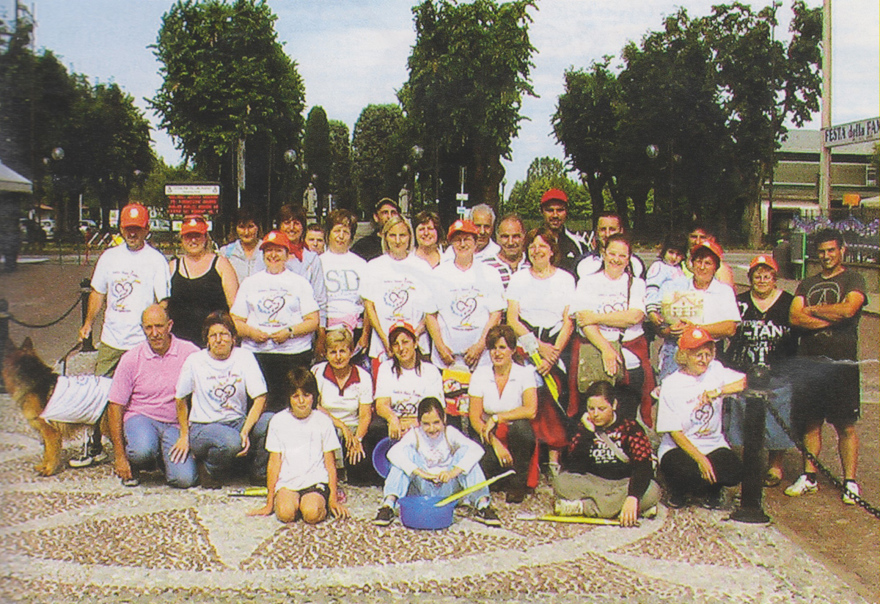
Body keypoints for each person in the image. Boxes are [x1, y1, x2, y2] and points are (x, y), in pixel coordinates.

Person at [77, 203, 171, 467]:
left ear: (146, 229)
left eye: (137, 229)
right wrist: (88, 324)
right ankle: (94, 444)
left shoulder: (155, 260)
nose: (132, 234)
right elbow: (98, 293)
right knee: (100, 392)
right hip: (112, 338)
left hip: (140, 343)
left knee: (141, 395)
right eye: (128, 229)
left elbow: (162, 302)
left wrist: (153, 332)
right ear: (121, 229)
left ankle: (140, 447)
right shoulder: (109, 257)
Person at [786, 229, 867, 504]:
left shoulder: (854, 278)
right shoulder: (807, 283)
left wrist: (813, 310)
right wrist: (831, 314)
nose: (826, 256)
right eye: (822, 251)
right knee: (811, 422)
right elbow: (795, 316)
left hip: (841, 363)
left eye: (831, 250)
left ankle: (850, 482)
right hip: (809, 360)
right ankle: (808, 475)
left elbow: (849, 309)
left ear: (841, 250)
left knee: (845, 424)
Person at [722, 255, 796, 487]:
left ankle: (775, 464)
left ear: (775, 278)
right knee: (740, 415)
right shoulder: (739, 302)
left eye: (767, 275)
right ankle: (748, 461)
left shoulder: (788, 302)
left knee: (779, 414)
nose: (762, 280)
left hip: (779, 368)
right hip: (743, 368)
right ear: (750, 278)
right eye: (757, 275)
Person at [107, 304, 199, 488]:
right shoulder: (131, 358)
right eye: (148, 327)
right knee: (142, 450)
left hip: (175, 423)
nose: (154, 333)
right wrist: (119, 456)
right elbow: (115, 406)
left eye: (159, 326)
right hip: (142, 417)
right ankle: (140, 460)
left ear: (169, 326)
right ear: (142, 329)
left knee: (185, 480)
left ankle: (163, 460)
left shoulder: (190, 352)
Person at [372, 397, 501, 527]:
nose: (432, 428)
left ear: (444, 419)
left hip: (447, 487)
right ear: (419, 422)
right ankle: (388, 505)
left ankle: (483, 505)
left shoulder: (450, 432)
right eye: (426, 424)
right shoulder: (415, 434)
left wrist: (452, 473)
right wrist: (421, 473)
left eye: (436, 422)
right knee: (403, 456)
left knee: (466, 455)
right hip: (422, 487)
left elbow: (477, 450)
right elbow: (392, 453)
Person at [230, 230, 320, 416]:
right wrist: (251, 332)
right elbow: (235, 321)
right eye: (268, 250)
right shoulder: (250, 282)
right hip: (257, 354)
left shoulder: (299, 283)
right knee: (260, 408)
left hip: (292, 354)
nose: (273, 255)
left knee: (291, 407)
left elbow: (313, 321)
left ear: (287, 254)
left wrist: (290, 331)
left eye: (278, 250)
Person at [507, 226, 576, 468]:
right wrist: (537, 348)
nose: (537, 251)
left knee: (554, 400)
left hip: (557, 346)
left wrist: (553, 355)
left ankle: (554, 458)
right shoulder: (519, 279)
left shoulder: (566, 279)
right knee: (528, 397)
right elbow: (512, 319)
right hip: (527, 344)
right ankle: (529, 460)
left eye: (542, 246)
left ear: (552, 250)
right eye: (533, 246)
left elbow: (569, 320)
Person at [174, 312, 269, 487]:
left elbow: (260, 397)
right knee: (231, 442)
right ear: (207, 340)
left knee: (269, 421)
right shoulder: (195, 361)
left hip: (236, 422)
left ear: (233, 338)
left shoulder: (244, 357)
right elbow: (180, 399)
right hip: (204, 426)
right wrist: (184, 435)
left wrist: (246, 430)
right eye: (213, 335)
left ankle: (258, 472)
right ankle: (210, 469)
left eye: (224, 334)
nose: (219, 340)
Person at [656, 325, 746, 508]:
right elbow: (674, 432)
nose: (704, 360)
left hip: (713, 443)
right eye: (698, 355)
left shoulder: (716, 369)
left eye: (707, 354)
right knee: (686, 471)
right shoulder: (671, 384)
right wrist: (701, 459)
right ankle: (679, 490)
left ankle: (712, 489)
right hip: (681, 446)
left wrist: (720, 391)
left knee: (735, 471)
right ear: (685, 356)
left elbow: (747, 381)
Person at [247, 367, 349, 524]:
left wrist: (333, 499)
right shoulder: (278, 421)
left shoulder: (323, 421)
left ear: (313, 396)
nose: (301, 401)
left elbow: (330, 464)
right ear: (288, 398)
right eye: (295, 396)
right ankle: (293, 501)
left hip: (315, 480)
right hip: (288, 481)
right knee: (285, 514)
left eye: (306, 395)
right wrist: (269, 503)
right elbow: (274, 463)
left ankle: (316, 500)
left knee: (311, 514)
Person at [553, 381, 660, 525]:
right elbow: (574, 467)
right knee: (561, 482)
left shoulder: (630, 428)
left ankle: (584, 507)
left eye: (602, 409)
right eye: (591, 409)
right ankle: (626, 509)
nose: (595, 414)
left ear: (614, 405)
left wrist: (633, 497)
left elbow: (643, 466)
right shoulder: (584, 426)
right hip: (594, 482)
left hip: (624, 483)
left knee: (652, 491)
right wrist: (588, 433)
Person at [570, 234, 650, 423]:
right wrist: (607, 349)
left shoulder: (636, 284)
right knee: (593, 413)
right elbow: (583, 321)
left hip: (630, 355)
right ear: (604, 253)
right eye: (612, 253)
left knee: (626, 415)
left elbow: (634, 316)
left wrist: (597, 317)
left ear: (629, 258)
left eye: (622, 256)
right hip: (594, 353)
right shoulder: (587, 282)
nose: (616, 259)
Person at [653, 240, 740, 381]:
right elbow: (660, 327)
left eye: (708, 263)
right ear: (692, 264)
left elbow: (730, 328)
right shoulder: (673, 288)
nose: (702, 267)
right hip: (678, 350)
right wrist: (669, 330)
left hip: (709, 352)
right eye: (698, 262)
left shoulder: (724, 291)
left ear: (715, 267)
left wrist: (695, 329)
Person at [468, 325, 538, 503]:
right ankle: (498, 478)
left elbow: (530, 410)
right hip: (488, 433)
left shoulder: (524, 373)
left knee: (522, 429)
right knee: (483, 470)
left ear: (512, 350)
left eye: (502, 347)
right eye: (493, 348)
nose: (497, 353)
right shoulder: (480, 374)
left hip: (514, 430)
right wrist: (494, 442)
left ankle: (517, 483)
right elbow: (474, 417)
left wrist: (497, 418)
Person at [426, 219, 505, 371]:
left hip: (481, 360)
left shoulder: (490, 274)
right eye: (457, 240)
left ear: (475, 243)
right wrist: (441, 348)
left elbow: (496, 315)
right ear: (451, 244)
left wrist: (480, 347)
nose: (462, 244)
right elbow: (430, 315)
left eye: (467, 239)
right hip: (447, 360)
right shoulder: (438, 274)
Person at [361, 215, 431, 368]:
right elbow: (369, 306)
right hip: (383, 344)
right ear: (385, 237)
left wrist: (415, 335)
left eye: (402, 235)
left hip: (416, 344)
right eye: (393, 235)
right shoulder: (373, 266)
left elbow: (430, 308)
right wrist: (385, 339)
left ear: (410, 237)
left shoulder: (422, 267)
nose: (398, 240)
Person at [312, 328, 379, 485]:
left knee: (359, 469)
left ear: (350, 352)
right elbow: (315, 406)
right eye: (333, 352)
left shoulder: (363, 376)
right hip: (326, 425)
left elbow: (365, 415)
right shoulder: (317, 372)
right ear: (326, 354)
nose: (338, 357)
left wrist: (357, 440)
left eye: (342, 351)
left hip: (354, 428)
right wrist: (341, 426)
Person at [167, 215, 238, 348]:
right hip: (180, 344)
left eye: (197, 236)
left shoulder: (221, 264)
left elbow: (234, 307)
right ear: (182, 239)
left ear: (205, 238)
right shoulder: (172, 267)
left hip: (214, 343)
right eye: (188, 236)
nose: (193, 240)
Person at [374, 322, 444, 439]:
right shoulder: (386, 368)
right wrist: (393, 419)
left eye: (405, 342)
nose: (401, 348)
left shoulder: (430, 370)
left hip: (423, 424)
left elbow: (436, 409)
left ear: (415, 343)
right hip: (395, 424)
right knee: (375, 428)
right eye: (396, 344)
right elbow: (381, 405)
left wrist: (411, 424)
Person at [277, 203, 328, 355]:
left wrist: (321, 336)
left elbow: (320, 299)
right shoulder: (266, 255)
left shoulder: (312, 259)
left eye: (296, 223)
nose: (291, 227)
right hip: (272, 335)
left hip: (302, 336)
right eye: (287, 222)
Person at [319, 210, 371, 355]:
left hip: (355, 328)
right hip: (327, 328)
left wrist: (365, 335)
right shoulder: (319, 262)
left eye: (346, 232)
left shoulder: (361, 263)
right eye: (337, 231)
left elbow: (367, 302)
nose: (341, 236)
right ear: (328, 233)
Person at [576, 212, 646, 280]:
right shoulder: (584, 264)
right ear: (597, 232)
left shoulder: (636, 264)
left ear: (621, 231)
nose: (607, 234)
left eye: (612, 229)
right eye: (603, 229)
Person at [538, 188, 588, 276]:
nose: (555, 215)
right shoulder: (532, 243)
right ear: (542, 212)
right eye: (550, 210)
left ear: (566, 212)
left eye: (560, 210)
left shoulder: (579, 243)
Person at [645, 233, 687, 319]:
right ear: (664, 251)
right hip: (662, 312)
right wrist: (652, 311)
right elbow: (652, 288)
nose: (674, 257)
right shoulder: (658, 266)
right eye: (671, 252)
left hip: (679, 311)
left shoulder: (680, 269)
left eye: (678, 254)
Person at [483, 213, 530, 290]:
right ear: (497, 238)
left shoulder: (532, 264)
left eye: (515, 236)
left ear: (523, 237)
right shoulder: (485, 266)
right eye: (505, 236)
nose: (510, 242)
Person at [682, 221, 735, 287]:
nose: (697, 241)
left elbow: (727, 293)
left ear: (711, 239)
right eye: (694, 237)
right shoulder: (679, 264)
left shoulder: (720, 269)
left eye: (702, 237)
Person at [220, 206, 263, 283]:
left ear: (258, 227)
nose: (246, 232)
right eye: (241, 227)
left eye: (250, 227)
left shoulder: (267, 250)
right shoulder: (226, 252)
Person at [351, 197, 400, 262]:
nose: (390, 217)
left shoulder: (404, 244)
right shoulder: (363, 246)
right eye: (385, 212)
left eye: (393, 212)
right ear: (376, 217)